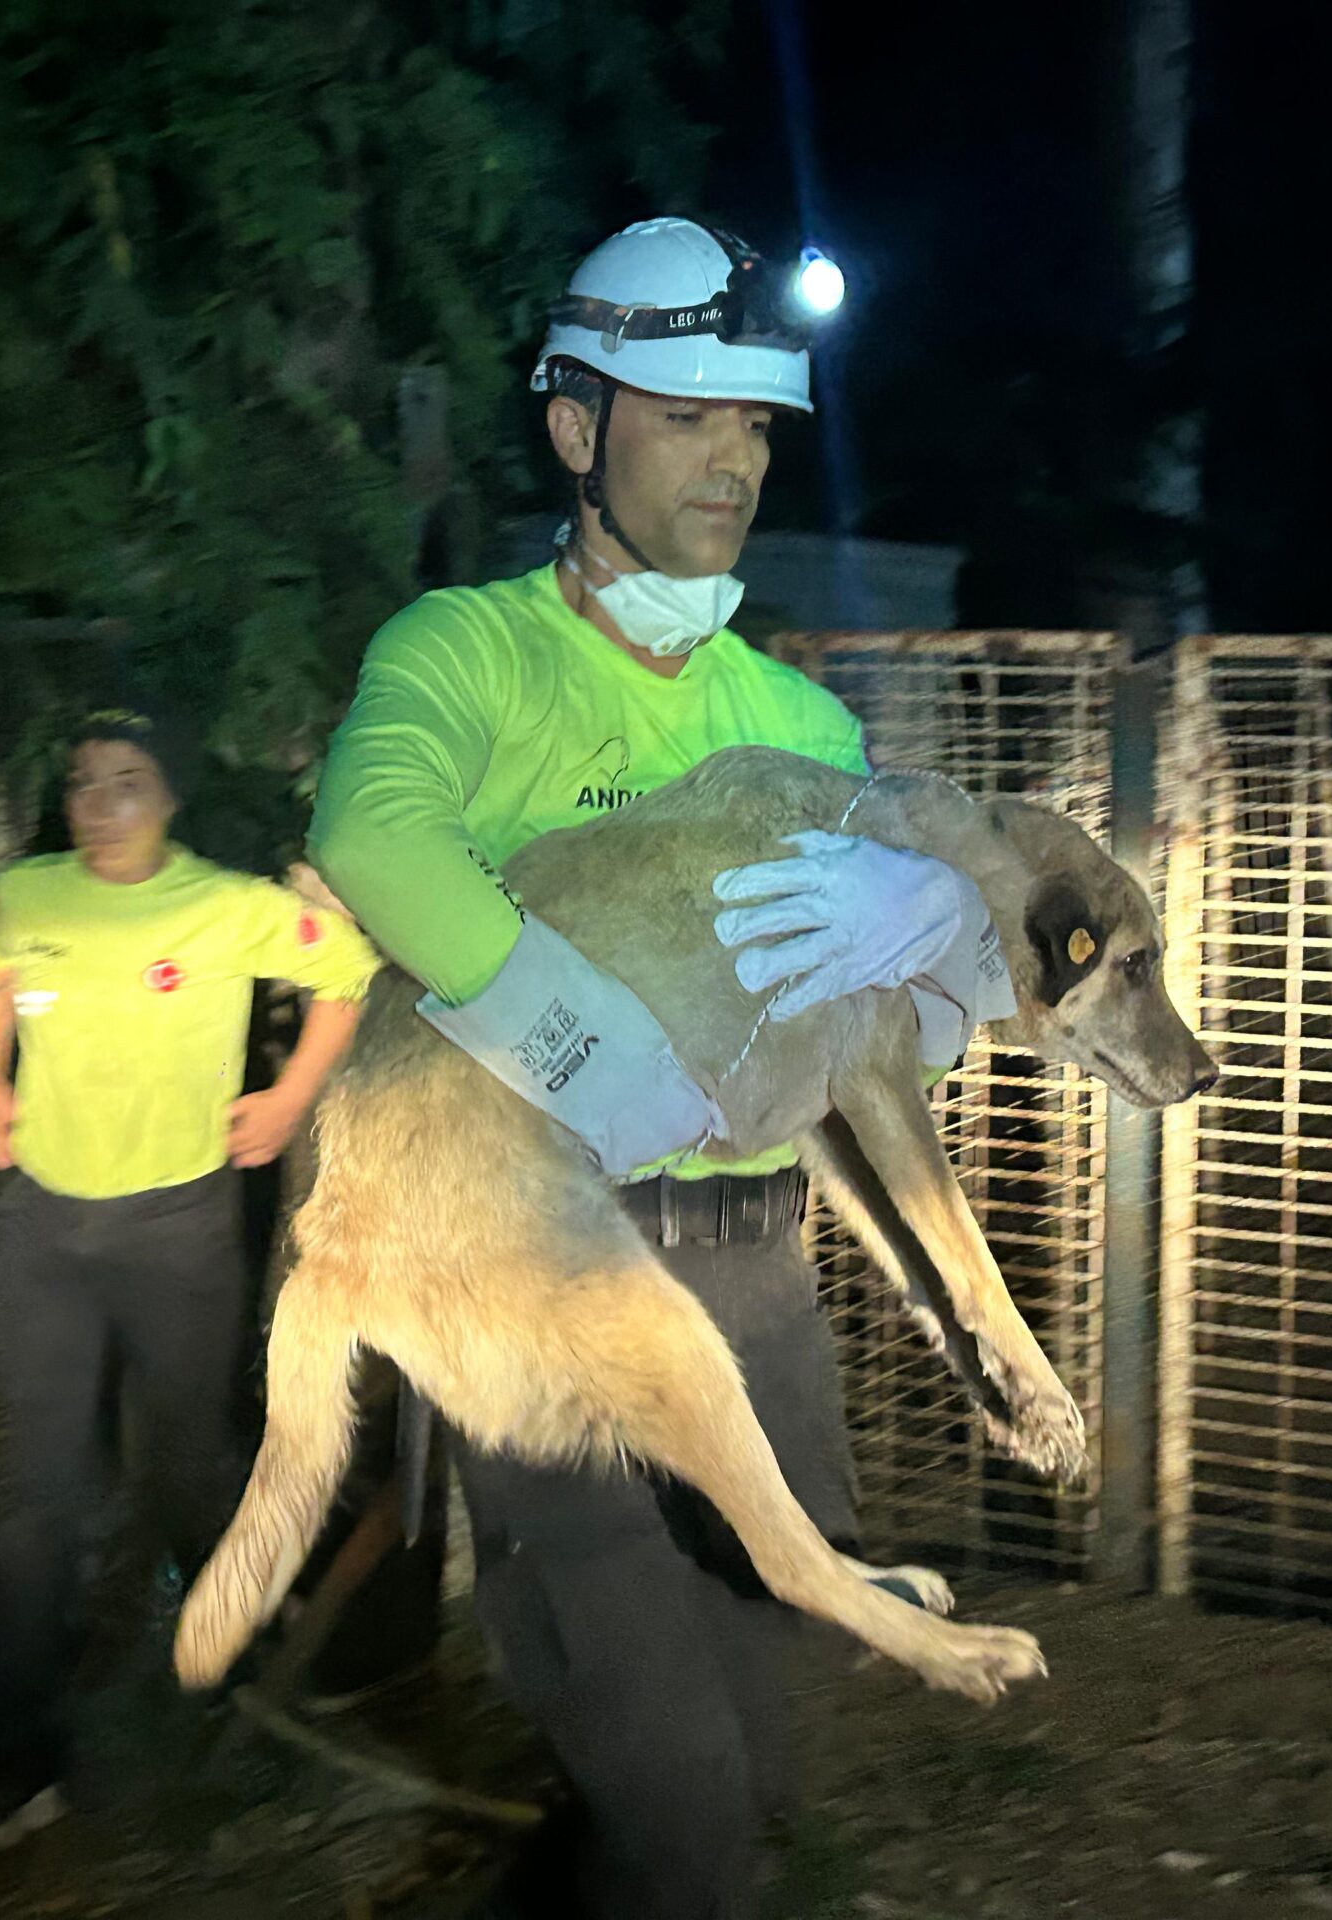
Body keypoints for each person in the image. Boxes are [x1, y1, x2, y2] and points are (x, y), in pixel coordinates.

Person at [307, 218, 1013, 1919]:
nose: (734, 458)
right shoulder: (463, 654)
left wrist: (934, 955)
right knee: (690, 1819)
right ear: (575, 429)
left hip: (761, 1284)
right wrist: (578, 1039)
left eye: (755, 423)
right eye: (686, 414)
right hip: (549, 1281)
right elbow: (373, 835)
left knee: (747, 1781)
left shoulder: (807, 725)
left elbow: (896, 1044)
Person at [0, 702, 380, 1849]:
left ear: (170, 795)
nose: (103, 803)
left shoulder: (228, 906)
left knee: (191, 1462)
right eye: (86, 781)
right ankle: (11, 1756)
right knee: (36, 1501)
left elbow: (345, 972)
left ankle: (253, 1663)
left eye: (129, 779)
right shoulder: (27, 895)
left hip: (178, 1236)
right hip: (45, 1234)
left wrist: (289, 1099)